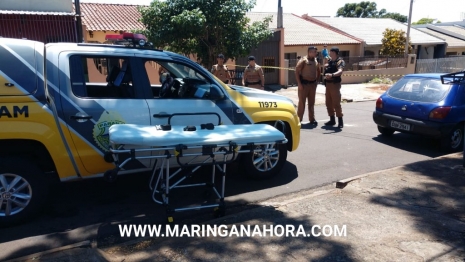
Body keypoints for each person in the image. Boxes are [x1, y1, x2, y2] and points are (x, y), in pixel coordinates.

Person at [295, 46, 321, 125]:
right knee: (302, 103)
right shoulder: (303, 60)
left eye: (315, 52)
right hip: (304, 84)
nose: (314, 53)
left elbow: (319, 71)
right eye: (312, 52)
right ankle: (298, 120)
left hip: (312, 84)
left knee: (311, 103)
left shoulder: (316, 61)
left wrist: (317, 81)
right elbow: (296, 71)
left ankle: (312, 119)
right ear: (309, 52)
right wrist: (299, 84)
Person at [324, 47, 345, 128]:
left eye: (331, 51)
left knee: (336, 103)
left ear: (334, 52)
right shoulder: (330, 61)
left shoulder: (340, 61)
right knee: (328, 103)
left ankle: (340, 121)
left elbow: (340, 71)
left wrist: (332, 75)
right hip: (328, 84)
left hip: (335, 84)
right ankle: (332, 119)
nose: (329, 52)